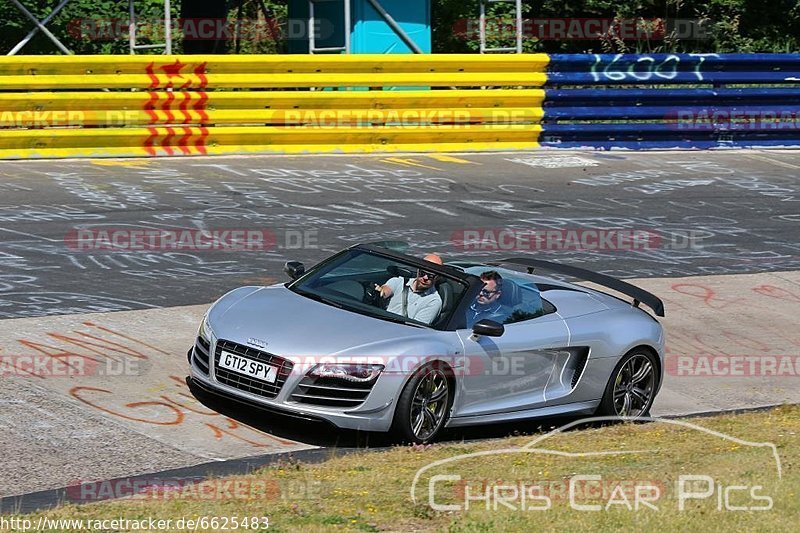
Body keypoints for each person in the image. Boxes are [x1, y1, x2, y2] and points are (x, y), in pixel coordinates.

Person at [376, 254, 443, 325]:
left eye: (431, 276)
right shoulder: (399, 281)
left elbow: (415, 328)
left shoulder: (434, 301)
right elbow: (385, 290)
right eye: (422, 273)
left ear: (437, 278)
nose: (425, 278)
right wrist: (380, 291)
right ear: (418, 270)